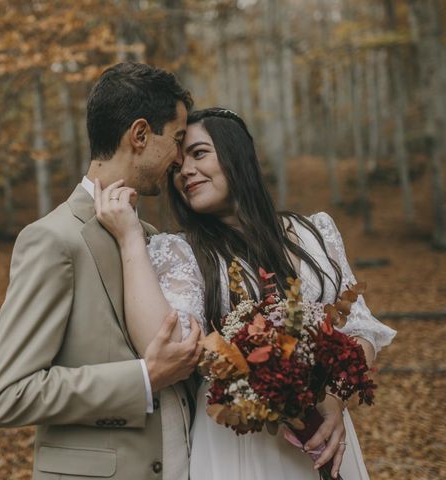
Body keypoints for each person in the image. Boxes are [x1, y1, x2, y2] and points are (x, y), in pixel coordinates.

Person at [94, 107, 397, 480]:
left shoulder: (315, 232)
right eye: (176, 167)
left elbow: (361, 329)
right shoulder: (179, 251)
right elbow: (168, 343)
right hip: (237, 446)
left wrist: (334, 400)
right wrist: (130, 239)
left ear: (237, 154)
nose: (185, 170)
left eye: (199, 153)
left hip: (326, 433)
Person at [0, 62, 203, 480]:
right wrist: (143, 378)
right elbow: (8, 395)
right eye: (176, 141)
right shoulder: (52, 240)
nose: (179, 159)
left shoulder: (153, 237)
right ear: (139, 135)